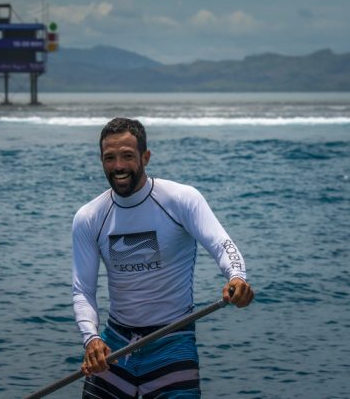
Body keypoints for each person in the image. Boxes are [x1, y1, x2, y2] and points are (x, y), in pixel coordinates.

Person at [72, 117, 254, 398]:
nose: (118, 166)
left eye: (127, 156)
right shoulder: (89, 217)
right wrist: (91, 338)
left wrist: (237, 277)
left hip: (172, 342)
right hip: (116, 346)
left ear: (145, 157)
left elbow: (222, 244)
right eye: (110, 158)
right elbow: (83, 289)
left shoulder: (181, 199)